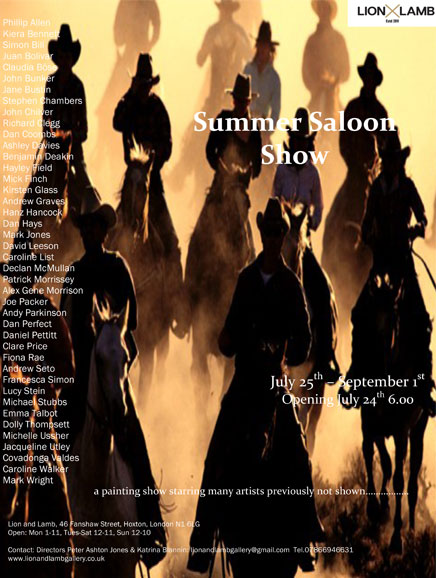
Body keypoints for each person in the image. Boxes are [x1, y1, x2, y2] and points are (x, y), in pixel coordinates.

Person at [188, 198, 325, 577]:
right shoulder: (246, 279)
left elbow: (304, 341)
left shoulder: (291, 284)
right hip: (244, 382)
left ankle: (305, 534)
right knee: (216, 452)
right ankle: (202, 541)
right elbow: (230, 329)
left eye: (279, 232)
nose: (273, 238)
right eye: (269, 232)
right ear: (262, 233)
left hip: (274, 384)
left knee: (297, 448)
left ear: (283, 236)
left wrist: (282, 352)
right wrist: (227, 340)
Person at [59, 188, 167, 567]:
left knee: (135, 443)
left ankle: (151, 530)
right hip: (78, 384)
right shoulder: (73, 275)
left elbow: (129, 333)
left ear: (104, 230)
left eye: (95, 226)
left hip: (113, 376)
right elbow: (66, 332)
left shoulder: (118, 268)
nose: (90, 232)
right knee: (52, 447)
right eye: (86, 226)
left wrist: (117, 370)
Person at [348, 129, 435, 416]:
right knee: (359, 314)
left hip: (403, 264)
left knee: (421, 320)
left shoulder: (408, 187)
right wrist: (369, 235)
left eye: (394, 160)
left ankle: (423, 385)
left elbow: (423, 218)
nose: (390, 164)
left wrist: (416, 229)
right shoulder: (376, 189)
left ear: (400, 161)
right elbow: (366, 222)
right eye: (387, 160)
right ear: (384, 161)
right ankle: (357, 376)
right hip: (381, 265)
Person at [113, 53, 185, 324]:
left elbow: (168, 144)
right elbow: (116, 122)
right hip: (131, 181)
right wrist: (129, 94)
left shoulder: (158, 108)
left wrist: (155, 158)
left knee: (172, 244)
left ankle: (176, 309)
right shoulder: (128, 104)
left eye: (146, 84)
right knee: (109, 239)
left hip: (152, 183)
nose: (144, 89)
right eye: (140, 84)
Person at [273, 107, 340, 383]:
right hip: (280, 241)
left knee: (321, 290)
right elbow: (273, 199)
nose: (300, 144)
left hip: (304, 243)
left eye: (304, 140)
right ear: (293, 141)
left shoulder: (313, 173)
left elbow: (320, 208)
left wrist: (310, 222)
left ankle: (325, 357)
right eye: (297, 140)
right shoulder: (281, 170)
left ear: (308, 143)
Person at [43, 24, 92, 198]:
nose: (64, 61)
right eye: (62, 57)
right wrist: (53, 137)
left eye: (67, 57)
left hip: (74, 152)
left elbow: (84, 129)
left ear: (72, 59)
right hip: (52, 151)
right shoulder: (50, 83)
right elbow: (46, 117)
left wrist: (69, 137)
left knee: (88, 190)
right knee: (35, 190)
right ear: (57, 58)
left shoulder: (78, 86)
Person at [206, 73, 262, 195]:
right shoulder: (222, 119)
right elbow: (210, 150)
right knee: (210, 205)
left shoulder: (253, 129)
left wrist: (247, 173)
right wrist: (220, 168)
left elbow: (257, 163)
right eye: (238, 101)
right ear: (234, 101)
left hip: (241, 186)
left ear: (248, 103)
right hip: (220, 182)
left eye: (244, 102)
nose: (241, 105)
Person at [340, 53, 388, 175]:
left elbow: (384, 143)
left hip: (374, 171)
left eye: (371, 77)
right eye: (367, 76)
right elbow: (344, 140)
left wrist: (374, 163)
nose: (369, 80)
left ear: (375, 81)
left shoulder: (380, 112)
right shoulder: (352, 107)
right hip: (353, 171)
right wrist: (353, 164)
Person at [302, 0, 349, 126]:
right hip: (316, 94)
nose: (323, 12)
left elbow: (346, 72)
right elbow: (305, 73)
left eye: (325, 9)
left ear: (330, 11)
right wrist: (318, 84)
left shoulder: (338, 40)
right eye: (321, 8)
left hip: (334, 94)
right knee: (302, 126)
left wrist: (333, 80)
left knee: (347, 126)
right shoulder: (312, 41)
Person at [244, 21, 281, 142]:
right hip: (245, 123)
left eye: (265, 46)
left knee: (271, 155)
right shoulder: (248, 70)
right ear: (257, 46)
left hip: (263, 127)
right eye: (260, 45)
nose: (262, 49)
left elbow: (275, 110)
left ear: (270, 49)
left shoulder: (274, 78)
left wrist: (267, 132)